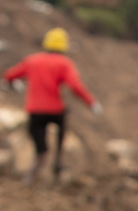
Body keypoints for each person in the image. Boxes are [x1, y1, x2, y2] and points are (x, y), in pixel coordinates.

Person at [3, 27, 101, 185]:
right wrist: (91, 103)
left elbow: (10, 75)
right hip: (55, 110)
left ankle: (32, 173)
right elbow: (75, 86)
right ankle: (58, 161)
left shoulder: (32, 60)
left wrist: (13, 83)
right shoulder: (64, 63)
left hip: (35, 111)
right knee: (61, 130)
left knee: (41, 149)